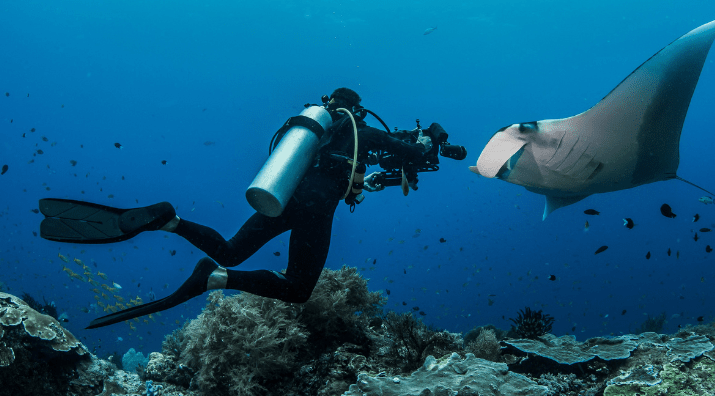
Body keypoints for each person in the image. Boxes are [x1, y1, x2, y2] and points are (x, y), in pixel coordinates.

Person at [38, 88, 443, 328]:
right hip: (316, 210)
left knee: (231, 249)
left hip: (283, 198)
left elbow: (343, 176)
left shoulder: (314, 138)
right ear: (356, 110)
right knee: (298, 289)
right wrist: (431, 139)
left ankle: (170, 221)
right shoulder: (361, 131)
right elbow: (411, 151)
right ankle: (214, 279)